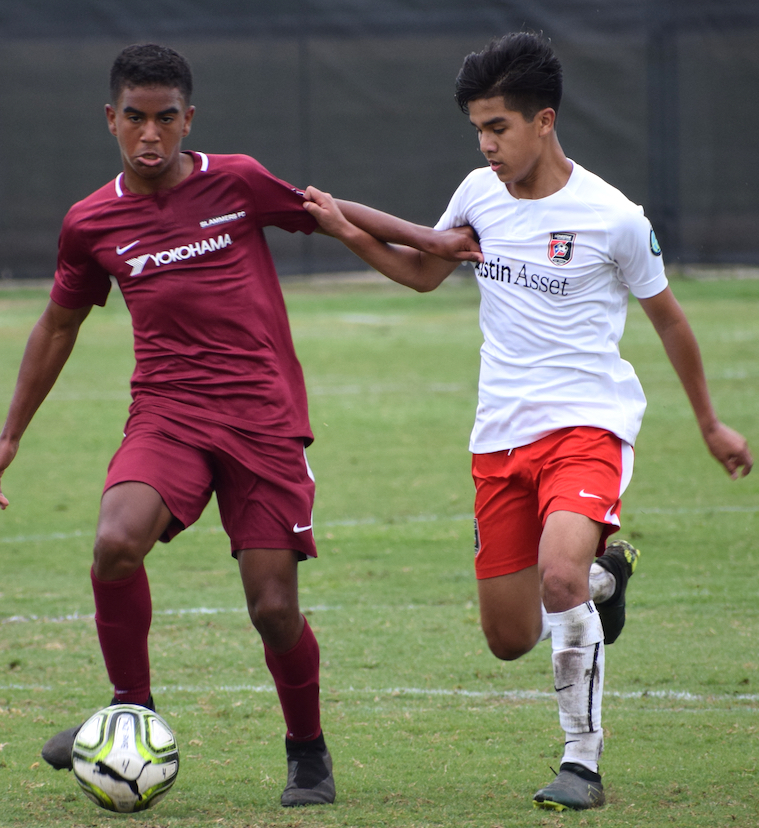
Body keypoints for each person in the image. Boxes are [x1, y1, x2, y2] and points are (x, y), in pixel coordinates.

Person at [0, 42, 480, 807]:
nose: (150, 134)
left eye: (166, 118)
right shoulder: (90, 222)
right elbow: (57, 326)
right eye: (135, 119)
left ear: (189, 119)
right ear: (110, 119)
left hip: (264, 420)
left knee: (273, 607)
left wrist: (432, 238)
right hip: (168, 414)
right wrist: (10, 435)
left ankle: (307, 749)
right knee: (114, 543)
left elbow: (324, 207)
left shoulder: (235, 180)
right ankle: (129, 711)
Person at [302, 31, 752, 811]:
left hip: (588, 426)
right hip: (497, 437)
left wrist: (711, 425)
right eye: (478, 128)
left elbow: (672, 322)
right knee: (510, 637)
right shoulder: (478, 193)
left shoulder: (613, 217)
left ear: (544, 120)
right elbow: (422, 272)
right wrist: (344, 229)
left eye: (499, 127)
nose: (487, 144)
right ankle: (607, 580)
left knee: (557, 576)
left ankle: (582, 763)